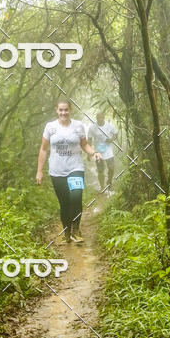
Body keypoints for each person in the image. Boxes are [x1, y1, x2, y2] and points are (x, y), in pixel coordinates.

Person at [36, 98, 102, 243]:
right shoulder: (50, 127)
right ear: (57, 110)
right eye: (61, 110)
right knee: (64, 203)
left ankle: (76, 229)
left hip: (75, 168)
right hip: (56, 171)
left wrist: (93, 153)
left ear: (70, 110)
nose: (63, 112)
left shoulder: (78, 126)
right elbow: (43, 149)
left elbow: (84, 145)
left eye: (66, 110)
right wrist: (39, 171)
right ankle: (67, 231)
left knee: (76, 197)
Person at [87, 112, 118, 192]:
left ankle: (109, 181)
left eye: (101, 118)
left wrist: (111, 139)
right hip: (98, 152)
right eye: (98, 118)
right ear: (96, 118)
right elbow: (89, 140)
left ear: (104, 117)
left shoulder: (109, 125)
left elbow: (115, 134)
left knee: (111, 168)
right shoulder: (92, 128)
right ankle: (102, 187)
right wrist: (89, 153)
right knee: (100, 170)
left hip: (108, 151)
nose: (100, 119)